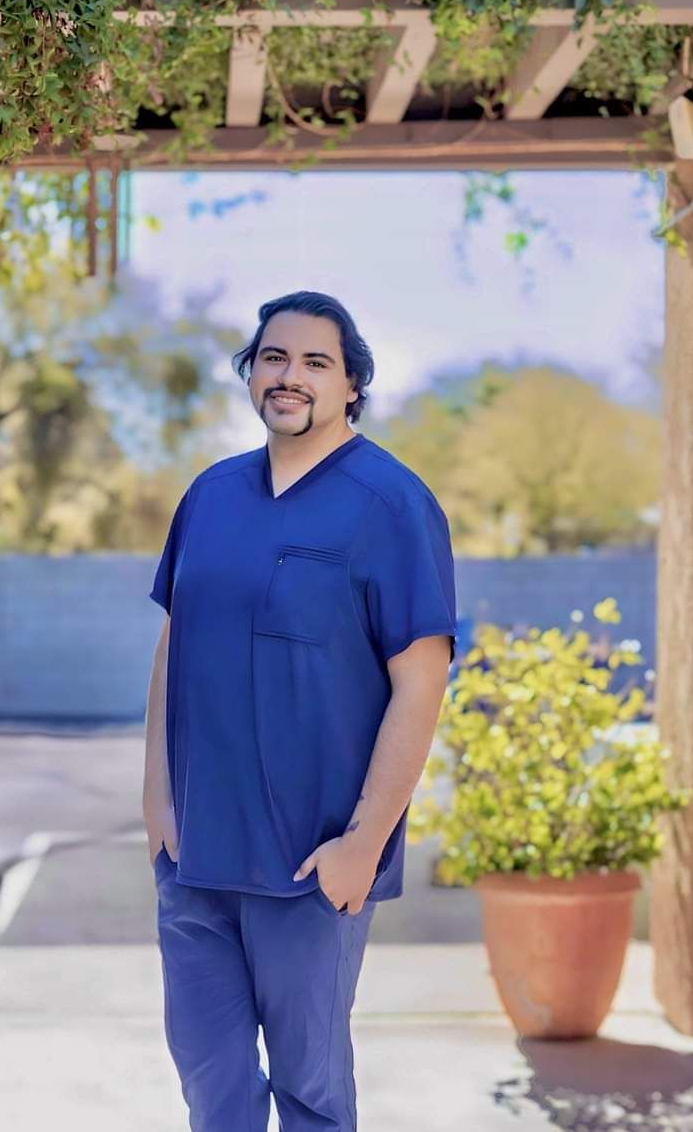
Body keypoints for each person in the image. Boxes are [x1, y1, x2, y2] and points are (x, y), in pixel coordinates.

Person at [142, 290, 456, 1131]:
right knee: (210, 1083)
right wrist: (157, 801)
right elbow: (174, 646)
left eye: (316, 361)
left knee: (311, 1092)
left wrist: (363, 842)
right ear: (251, 373)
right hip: (196, 853)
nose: (290, 376)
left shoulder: (392, 503)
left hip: (311, 863)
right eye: (273, 357)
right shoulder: (210, 496)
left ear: (352, 385)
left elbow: (421, 681)